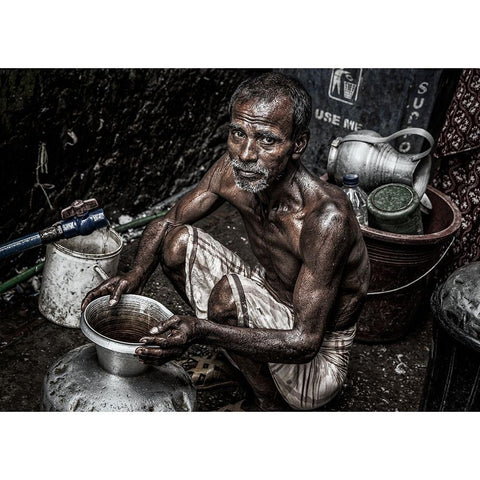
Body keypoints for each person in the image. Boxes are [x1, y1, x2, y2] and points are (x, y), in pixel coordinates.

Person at [81, 72, 370, 411]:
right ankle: (242, 361)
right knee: (175, 243)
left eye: (267, 140)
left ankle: (266, 402)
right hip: (272, 296)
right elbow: (168, 220)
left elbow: (305, 341)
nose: (246, 153)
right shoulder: (233, 170)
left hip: (316, 361)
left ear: (299, 145)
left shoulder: (325, 219)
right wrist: (136, 273)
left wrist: (200, 330)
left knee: (227, 296)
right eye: (238, 133)